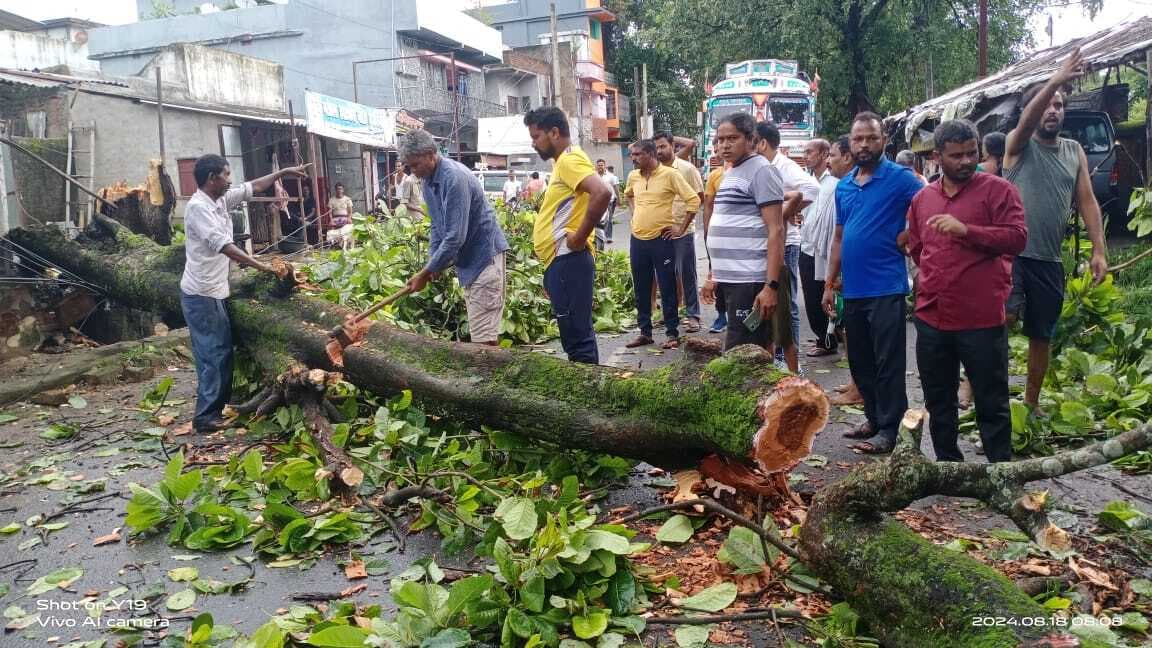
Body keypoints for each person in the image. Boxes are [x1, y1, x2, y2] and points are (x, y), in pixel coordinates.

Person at [905, 119, 1027, 462]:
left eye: (971, 154)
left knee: (992, 400)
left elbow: (1017, 238)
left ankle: (999, 472)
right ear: (937, 156)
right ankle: (948, 467)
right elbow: (917, 248)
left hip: (981, 317)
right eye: (956, 155)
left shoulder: (999, 191)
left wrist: (966, 230)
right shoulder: (923, 199)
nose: (965, 161)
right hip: (932, 317)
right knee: (939, 399)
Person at [1003, 47, 1108, 413]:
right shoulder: (1017, 146)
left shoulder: (1074, 150)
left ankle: (1031, 404)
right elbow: (1027, 122)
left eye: (1060, 105)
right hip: (1011, 253)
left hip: (1048, 258)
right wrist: (1055, 81)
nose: (1054, 110)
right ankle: (979, 386)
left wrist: (1099, 251)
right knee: (1003, 318)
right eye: (1048, 103)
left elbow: (1088, 202)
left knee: (1041, 333)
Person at [181, 155, 310, 433]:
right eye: (226, 175)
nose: (230, 180)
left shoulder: (219, 200)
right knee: (213, 353)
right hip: (202, 293)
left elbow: (254, 187)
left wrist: (283, 171)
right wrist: (263, 266)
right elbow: (225, 246)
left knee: (221, 350)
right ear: (212, 178)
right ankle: (205, 417)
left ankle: (216, 407)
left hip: (217, 289)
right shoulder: (198, 209)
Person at [821, 112, 926, 454]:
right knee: (861, 361)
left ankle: (890, 429)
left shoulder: (901, 179)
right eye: (858, 139)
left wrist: (911, 233)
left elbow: (929, 202)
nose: (864, 144)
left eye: (871, 138)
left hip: (887, 287)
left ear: (883, 141)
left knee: (888, 362)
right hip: (853, 289)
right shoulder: (846, 185)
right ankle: (873, 417)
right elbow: (839, 235)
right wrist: (829, 280)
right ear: (850, 144)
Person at [401, 129, 511, 345]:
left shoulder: (454, 178)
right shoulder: (428, 182)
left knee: (484, 341)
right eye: (410, 166)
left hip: (484, 260)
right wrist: (434, 264)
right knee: (482, 335)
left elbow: (454, 238)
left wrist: (425, 273)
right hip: (469, 263)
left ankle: (491, 377)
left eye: (416, 165)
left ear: (431, 155)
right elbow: (437, 228)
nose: (413, 171)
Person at [700, 112, 792, 367]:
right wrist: (714, 275)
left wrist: (770, 287)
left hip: (750, 280)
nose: (724, 145)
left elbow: (776, 230)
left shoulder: (762, 170)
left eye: (732, 138)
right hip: (731, 280)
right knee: (740, 354)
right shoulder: (732, 170)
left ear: (751, 139)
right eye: (719, 140)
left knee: (743, 359)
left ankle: (755, 406)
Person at [523, 106, 611, 363]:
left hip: (568, 260)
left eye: (536, 137)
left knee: (576, 338)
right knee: (577, 334)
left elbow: (602, 193)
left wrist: (579, 237)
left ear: (554, 132)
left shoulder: (569, 160)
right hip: (562, 262)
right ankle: (589, 393)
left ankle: (586, 398)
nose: (533, 144)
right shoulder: (566, 161)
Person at [623, 139, 700, 349]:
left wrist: (680, 228)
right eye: (633, 155)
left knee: (667, 287)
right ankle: (645, 332)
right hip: (638, 239)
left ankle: (672, 334)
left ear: (650, 154)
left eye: (638, 154)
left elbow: (693, 200)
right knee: (641, 287)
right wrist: (634, 214)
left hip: (662, 240)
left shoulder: (670, 175)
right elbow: (628, 194)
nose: (634, 158)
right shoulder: (633, 176)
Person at [755, 122, 819, 366]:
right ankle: (776, 355)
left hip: (787, 243)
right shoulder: (763, 166)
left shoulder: (783, 165)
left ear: (762, 143)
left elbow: (811, 189)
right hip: (771, 242)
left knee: (786, 303)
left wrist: (784, 211)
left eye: (752, 141)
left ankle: (792, 360)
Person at [657, 131, 706, 332]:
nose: (659, 151)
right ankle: (670, 314)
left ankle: (693, 315)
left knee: (686, 274)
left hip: (682, 231)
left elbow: (699, 197)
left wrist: (682, 227)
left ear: (672, 146)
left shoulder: (686, 169)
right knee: (665, 275)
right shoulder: (655, 171)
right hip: (660, 231)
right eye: (657, 148)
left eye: (663, 146)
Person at [798, 138, 837, 357]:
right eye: (805, 151)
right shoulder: (808, 181)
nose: (806, 155)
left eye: (809, 151)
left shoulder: (832, 184)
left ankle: (827, 340)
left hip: (824, 248)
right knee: (812, 297)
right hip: (807, 246)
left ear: (824, 154)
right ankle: (824, 337)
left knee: (823, 296)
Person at [702, 157, 729, 333]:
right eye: (719, 143)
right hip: (719, 235)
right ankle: (721, 316)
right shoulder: (715, 175)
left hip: (742, 237)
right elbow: (708, 206)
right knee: (717, 277)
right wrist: (707, 231)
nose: (723, 147)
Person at [596, 158, 618, 243]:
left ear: (604, 166)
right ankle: (601, 235)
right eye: (598, 165)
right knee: (599, 219)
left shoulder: (610, 176)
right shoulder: (594, 176)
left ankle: (609, 236)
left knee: (608, 219)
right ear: (596, 166)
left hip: (609, 201)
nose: (600, 167)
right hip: (598, 201)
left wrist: (619, 199)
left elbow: (615, 188)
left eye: (601, 165)